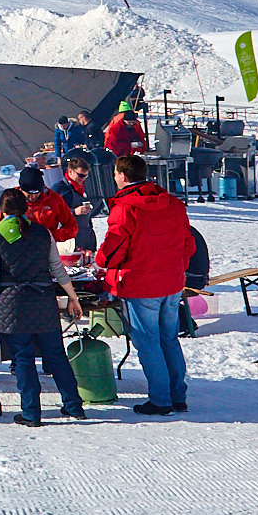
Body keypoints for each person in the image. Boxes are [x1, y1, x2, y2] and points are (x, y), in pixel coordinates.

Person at [0, 189, 87, 426]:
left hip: (12, 303)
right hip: (43, 300)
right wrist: (73, 298)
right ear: (27, 209)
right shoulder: (43, 232)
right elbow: (58, 269)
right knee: (56, 355)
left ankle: (31, 413)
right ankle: (74, 406)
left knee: (23, 358)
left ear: (2, 211)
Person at [98, 154, 195, 416]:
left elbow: (112, 251)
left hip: (141, 285)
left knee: (149, 343)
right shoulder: (173, 203)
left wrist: (102, 262)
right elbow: (189, 243)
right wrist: (175, 268)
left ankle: (161, 400)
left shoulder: (125, 208)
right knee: (169, 340)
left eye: (116, 173)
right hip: (171, 283)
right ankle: (177, 396)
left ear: (122, 176)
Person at [46, 156, 100, 252]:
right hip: (69, 242)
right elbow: (51, 212)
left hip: (86, 239)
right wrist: (74, 211)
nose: (83, 179)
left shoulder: (83, 187)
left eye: (85, 176)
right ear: (70, 171)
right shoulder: (59, 189)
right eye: (80, 175)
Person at [18, 166, 78, 246]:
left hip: (45, 247)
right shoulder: (12, 199)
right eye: (28, 195)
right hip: (20, 248)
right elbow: (2, 227)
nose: (33, 197)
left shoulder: (54, 199)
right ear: (21, 190)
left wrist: (52, 236)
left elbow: (71, 227)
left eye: (36, 193)